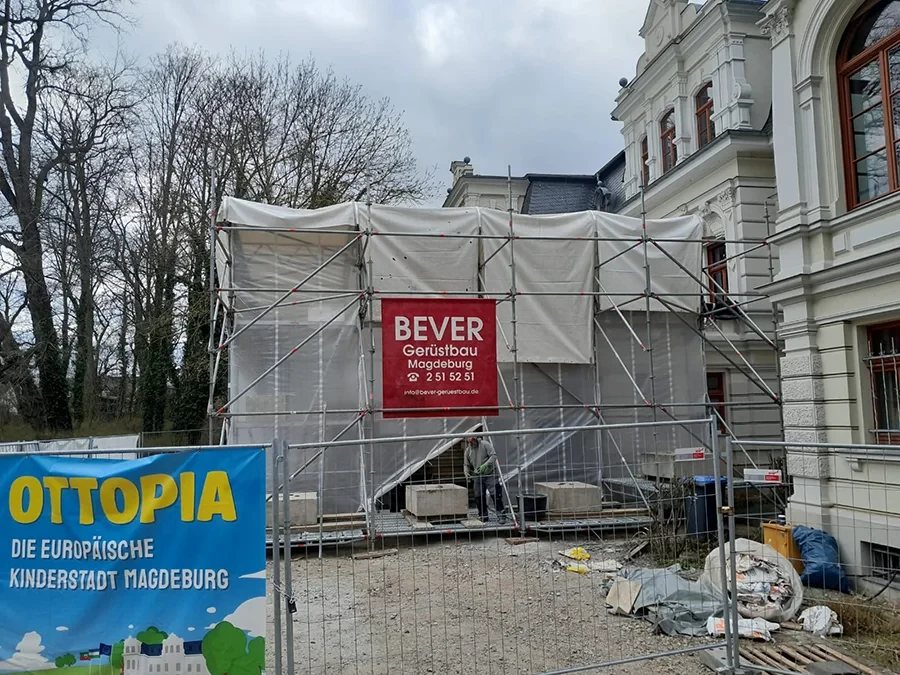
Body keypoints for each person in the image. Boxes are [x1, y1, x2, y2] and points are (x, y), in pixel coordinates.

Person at [463, 435, 506, 522]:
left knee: (496, 494)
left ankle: (501, 515)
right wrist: (466, 472)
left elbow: (493, 456)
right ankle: (483, 516)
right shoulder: (468, 451)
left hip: (490, 474)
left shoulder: (485, 444)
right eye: (469, 438)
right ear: (467, 439)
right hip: (477, 476)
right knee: (478, 496)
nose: (471, 439)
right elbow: (466, 464)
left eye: (472, 437)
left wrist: (486, 465)